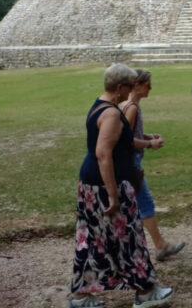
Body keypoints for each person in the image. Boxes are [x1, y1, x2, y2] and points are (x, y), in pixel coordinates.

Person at [69, 63, 175, 308]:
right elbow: (103, 154)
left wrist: (145, 139)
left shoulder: (99, 106)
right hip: (106, 185)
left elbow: (116, 144)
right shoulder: (112, 114)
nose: (131, 92)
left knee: (94, 239)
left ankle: (80, 297)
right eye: (129, 87)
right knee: (129, 236)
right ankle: (146, 291)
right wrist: (113, 195)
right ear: (119, 87)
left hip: (91, 185)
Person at [121, 70, 185, 263]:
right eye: (148, 84)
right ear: (137, 85)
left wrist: (146, 136)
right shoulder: (132, 107)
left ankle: (153, 245)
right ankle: (160, 246)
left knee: (133, 204)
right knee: (145, 202)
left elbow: (129, 133)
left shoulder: (127, 105)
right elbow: (126, 140)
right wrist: (149, 144)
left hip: (130, 162)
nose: (151, 88)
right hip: (132, 162)